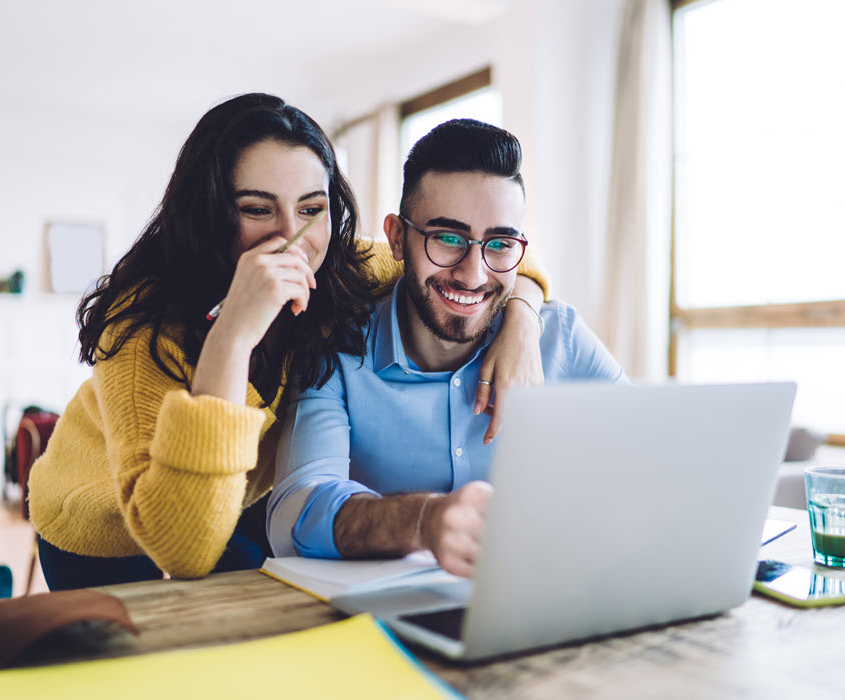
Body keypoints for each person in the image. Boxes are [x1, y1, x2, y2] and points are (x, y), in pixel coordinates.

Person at [27, 95, 550, 590]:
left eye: (310, 208)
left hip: (234, 499)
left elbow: (484, 256)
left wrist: (523, 323)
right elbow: (181, 547)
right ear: (209, 212)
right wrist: (233, 332)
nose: (290, 238)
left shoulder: (345, 267)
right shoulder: (141, 325)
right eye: (257, 209)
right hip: (105, 521)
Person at [267, 119, 626, 577]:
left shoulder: (560, 340)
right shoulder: (338, 349)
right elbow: (293, 512)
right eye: (448, 238)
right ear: (397, 238)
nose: (473, 274)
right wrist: (420, 520)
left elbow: (655, 461)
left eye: (499, 244)